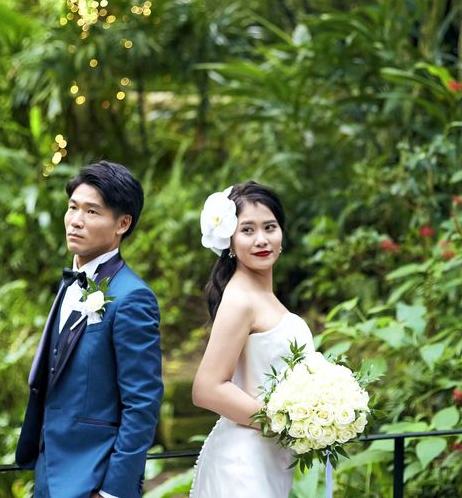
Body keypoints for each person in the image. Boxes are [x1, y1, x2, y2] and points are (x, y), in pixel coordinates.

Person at [16, 161, 163, 498]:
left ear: (123, 223)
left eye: (92, 211)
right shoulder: (70, 283)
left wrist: (113, 491)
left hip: (93, 478)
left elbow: (142, 404)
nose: (76, 220)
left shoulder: (132, 297)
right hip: (49, 470)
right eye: (73, 208)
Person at [190, 181, 315, 497]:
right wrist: (284, 423)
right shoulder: (240, 299)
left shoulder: (263, 296)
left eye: (269, 227)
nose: (261, 239)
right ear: (230, 241)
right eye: (247, 230)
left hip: (268, 459)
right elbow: (207, 388)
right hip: (242, 466)